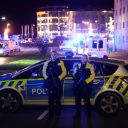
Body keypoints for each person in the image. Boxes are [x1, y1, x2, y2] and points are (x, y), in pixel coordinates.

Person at [42, 51, 67, 119]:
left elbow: (64, 72)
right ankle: (51, 115)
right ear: (51, 55)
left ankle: (58, 114)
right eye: (52, 54)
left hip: (57, 84)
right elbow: (43, 72)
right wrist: (47, 78)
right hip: (50, 84)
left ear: (57, 55)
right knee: (50, 100)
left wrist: (59, 78)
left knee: (58, 99)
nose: (54, 55)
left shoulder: (61, 62)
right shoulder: (47, 63)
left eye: (55, 54)